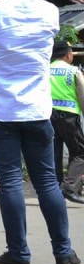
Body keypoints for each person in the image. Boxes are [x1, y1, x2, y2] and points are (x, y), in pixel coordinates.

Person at [0, 0, 79, 264]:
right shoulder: (50, 11)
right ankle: (65, 254)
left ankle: (19, 254)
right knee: (46, 182)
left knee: (10, 182)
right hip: (36, 109)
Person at [49, 40, 84, 204]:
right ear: (68, 54)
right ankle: (69, 187)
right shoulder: (73, 71)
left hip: (49, 117)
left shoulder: (44, 70)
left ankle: (55, 187)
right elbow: (82, 96)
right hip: (69, 117)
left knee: (54, 152)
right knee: (79, 152)